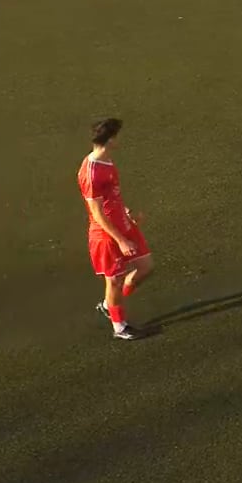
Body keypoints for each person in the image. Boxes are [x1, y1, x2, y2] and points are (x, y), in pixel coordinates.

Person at [79, 117, 153, 340]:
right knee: (114, 281)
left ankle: (109, 305)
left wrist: (127, 212)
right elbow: (97, 213)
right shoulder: (91, 172)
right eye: (117, 136)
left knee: (146, 267)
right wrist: (120, 239)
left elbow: (111, 198)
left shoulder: (106, 161)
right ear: (110, 140)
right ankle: (119, 326)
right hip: (106, 235)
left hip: (123, 223)